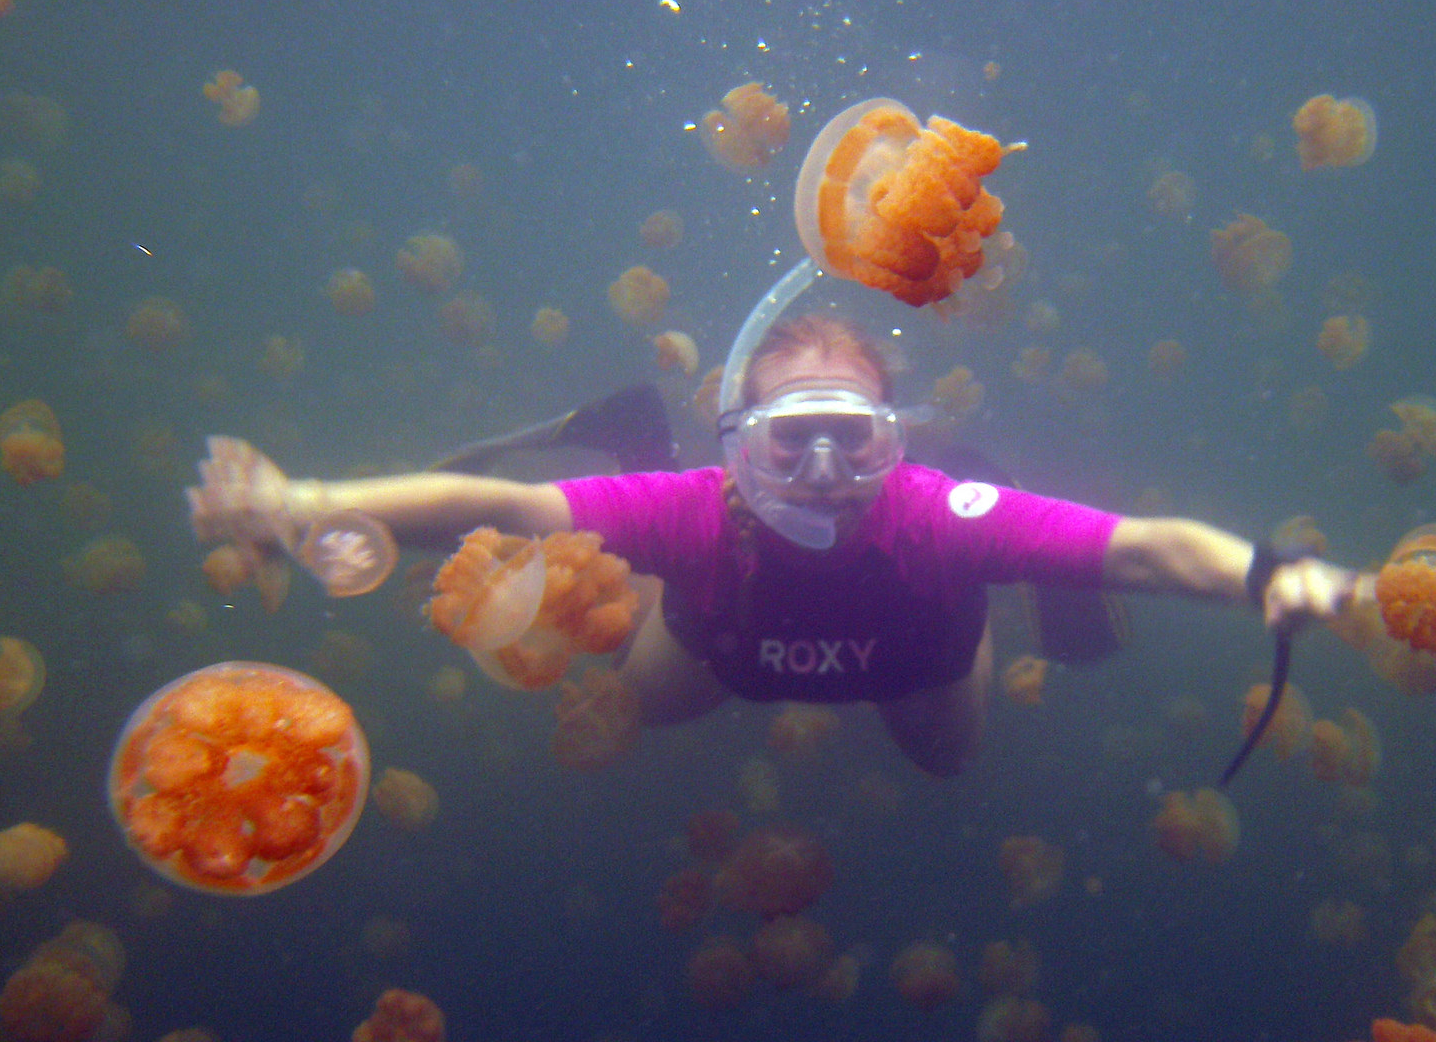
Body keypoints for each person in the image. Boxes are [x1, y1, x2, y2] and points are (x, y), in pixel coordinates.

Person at [188, 280, 1371, 777]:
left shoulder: (941, 517)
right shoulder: (694, 510)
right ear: (734, 441)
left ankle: (974, 628)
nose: (818, 471)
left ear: (893, 442)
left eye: (850, 438)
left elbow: (1137, 548)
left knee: (948, 761)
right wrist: (308, 505)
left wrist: (1272, 575)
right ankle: (646, 570)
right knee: (645, 704)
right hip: (722, 637)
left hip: (918, 653)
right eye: (784, 440)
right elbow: (496, 507)